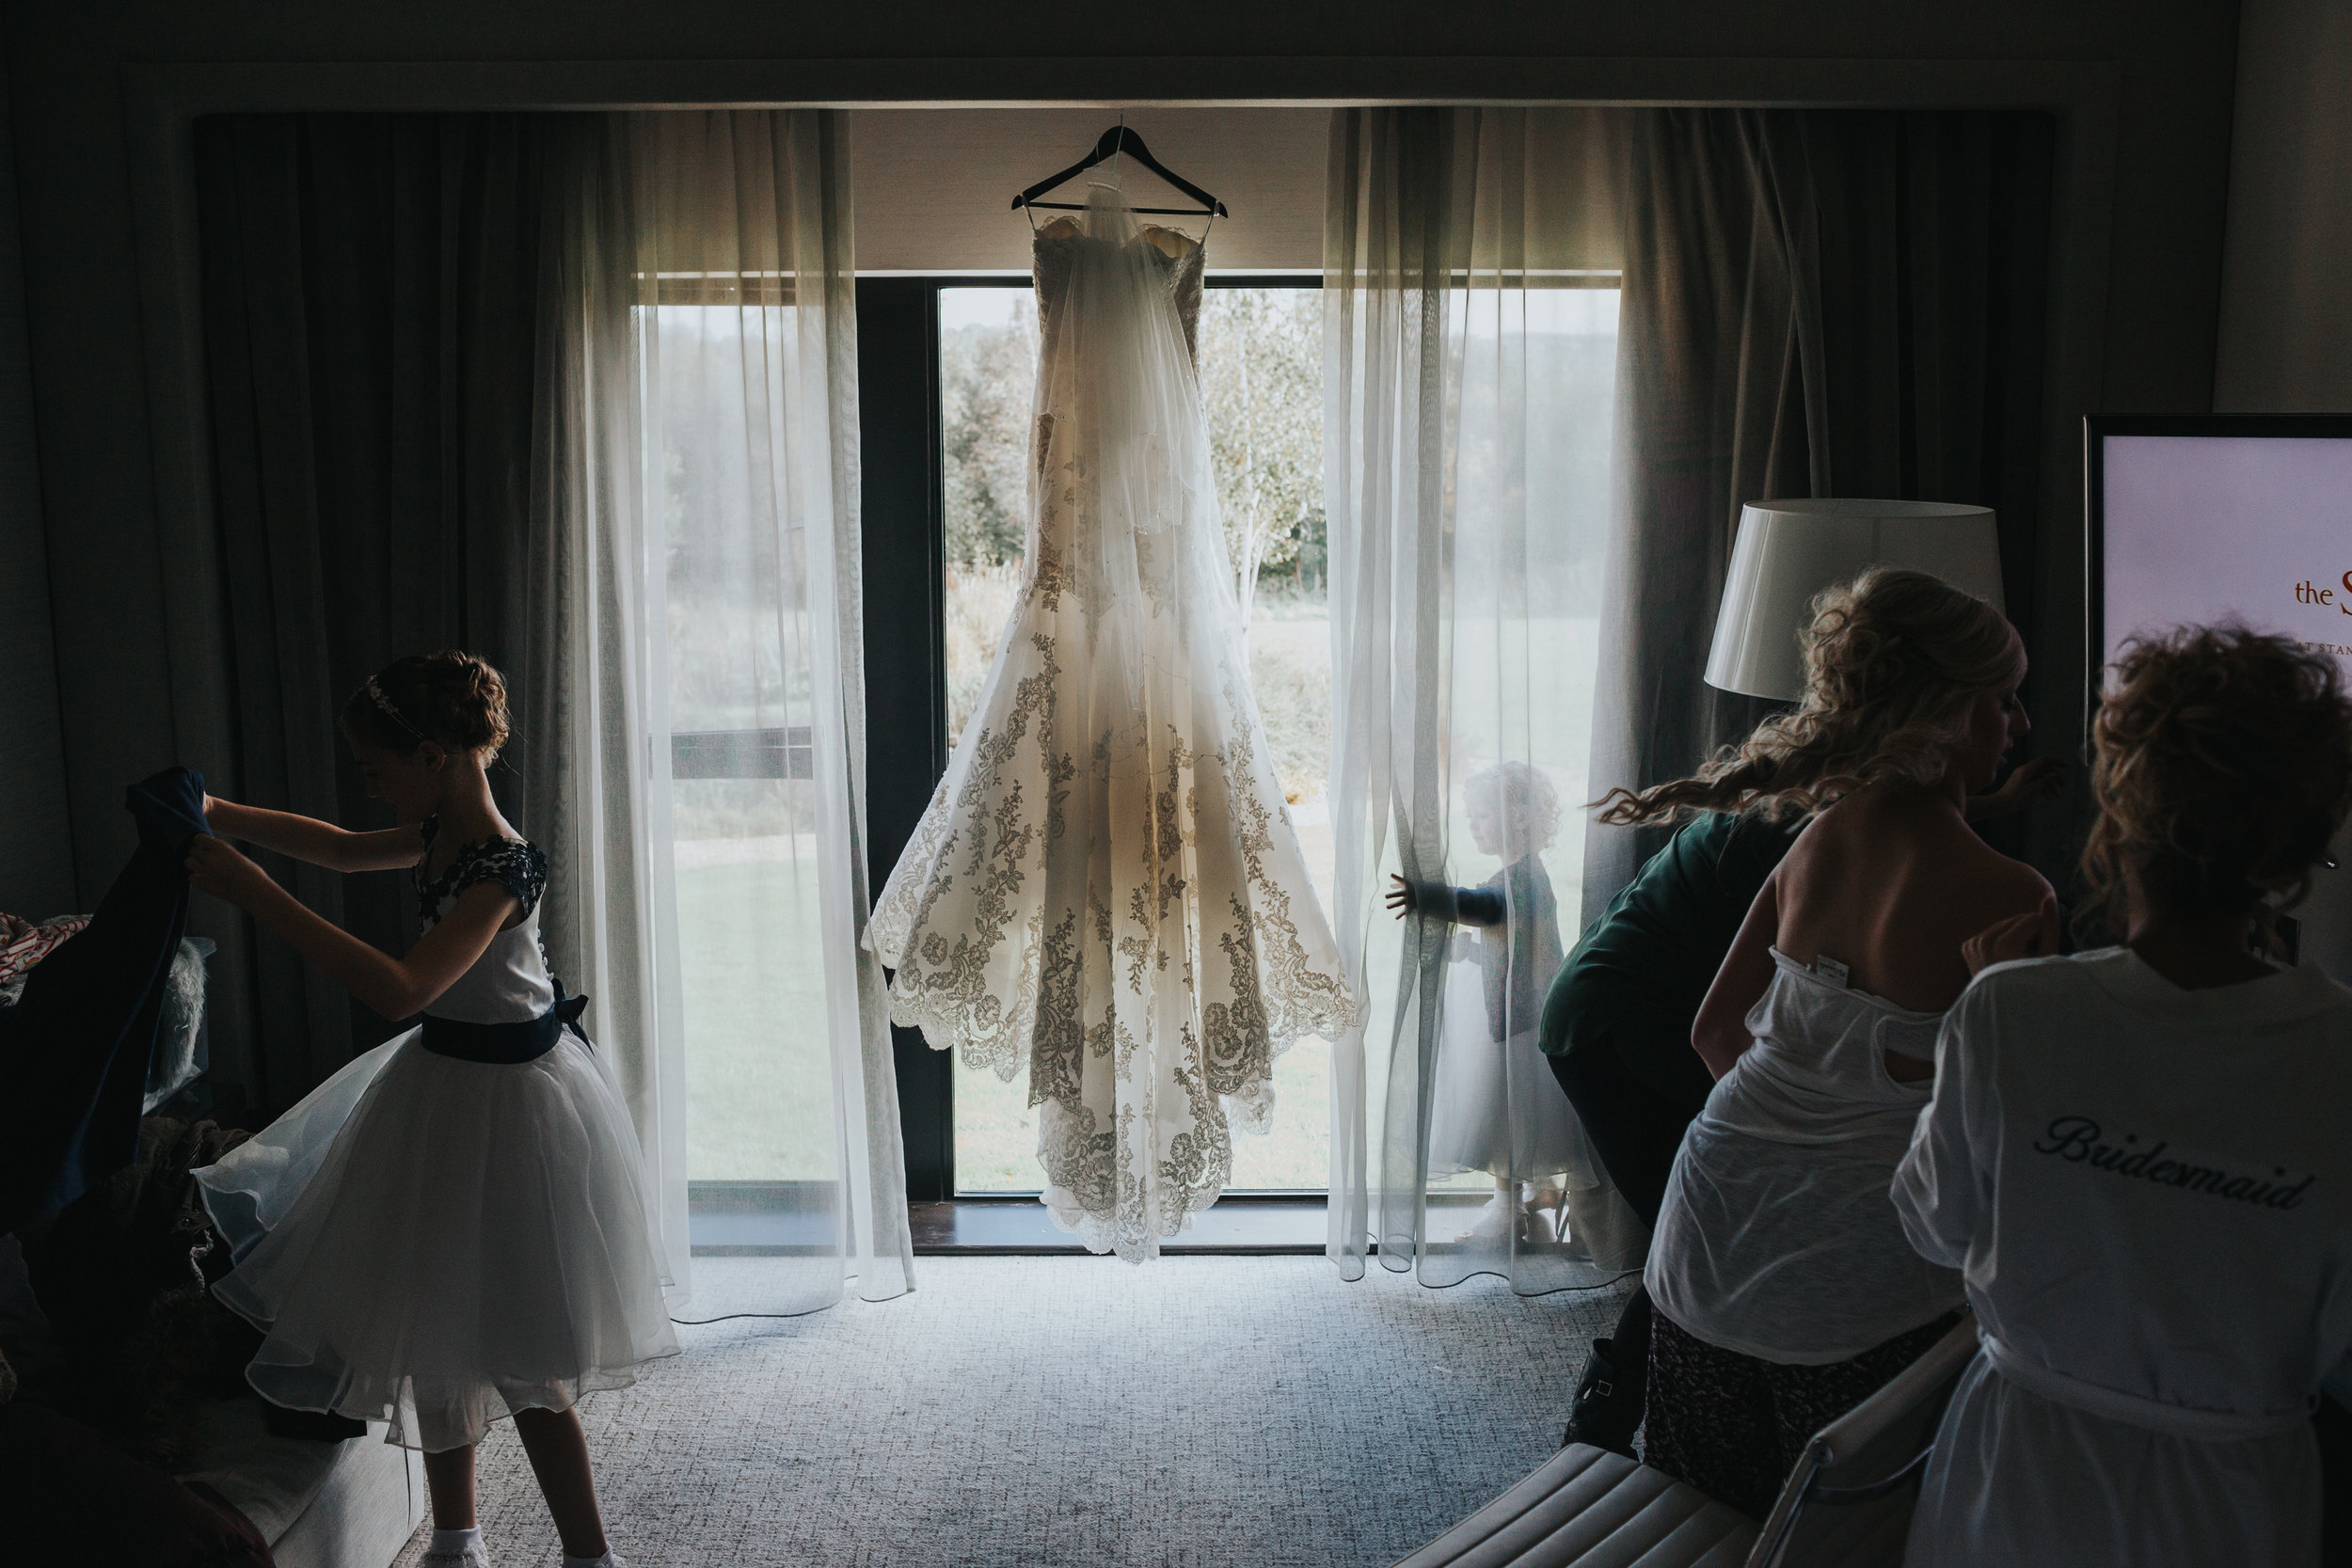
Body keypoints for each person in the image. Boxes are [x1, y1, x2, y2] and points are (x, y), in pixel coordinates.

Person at [183, 652, 675, 1568]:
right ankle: (457, 1539)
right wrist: (218, 814)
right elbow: (333, 844)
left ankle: (588, 1553)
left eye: (377, 766)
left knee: (528, 1357)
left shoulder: (502, 867)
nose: (368, 785)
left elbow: (403, 987)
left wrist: (256, 893)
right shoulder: (432, 831)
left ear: (434, 754)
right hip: (441, 1095)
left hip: (517, 1110)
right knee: (437, 1325)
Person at [1895, 626, 2352, 1567]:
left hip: (2019, 1471)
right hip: (2235, 1498)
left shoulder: (2010, 1010)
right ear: (2303, 842)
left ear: (2115, 810)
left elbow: (1934, 1225)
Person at [1608, 567, 2054, 1519]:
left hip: (1701, 1237)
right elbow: (2016, 1131)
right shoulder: (2013, 897)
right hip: (1857, 1291)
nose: (2016, 724)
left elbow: (1714, 1030)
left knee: (1706, 1515)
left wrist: (1792, 1140)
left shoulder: (1815, 838)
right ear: (1943, 713)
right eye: (2000, 700)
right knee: (1847, 1535)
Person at [1544, 761, 2057, 1453]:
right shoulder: (1820, 833)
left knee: (1709, 1235)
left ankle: (1616, 1415)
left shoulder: (1821, 815)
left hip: (1606, 998)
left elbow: (1719, 1027)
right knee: (1714, 1230)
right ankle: (1599, 1415)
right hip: (1617, 1020)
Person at [1386, 762, 1642, 1264]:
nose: (1474, 825)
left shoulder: (1521, 879)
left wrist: (1426, 896)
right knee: (1515, 1116)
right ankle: (1529, 1194)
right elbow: (1513, 944)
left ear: (1520, 819)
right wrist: (1469, 953)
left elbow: (1485, 908)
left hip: (1521, 1025)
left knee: (1506, 1119)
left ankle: (1509, 1207)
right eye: (1471, 816)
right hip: (1517, 1016)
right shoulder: (1522, 876)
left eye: (1483, 815)